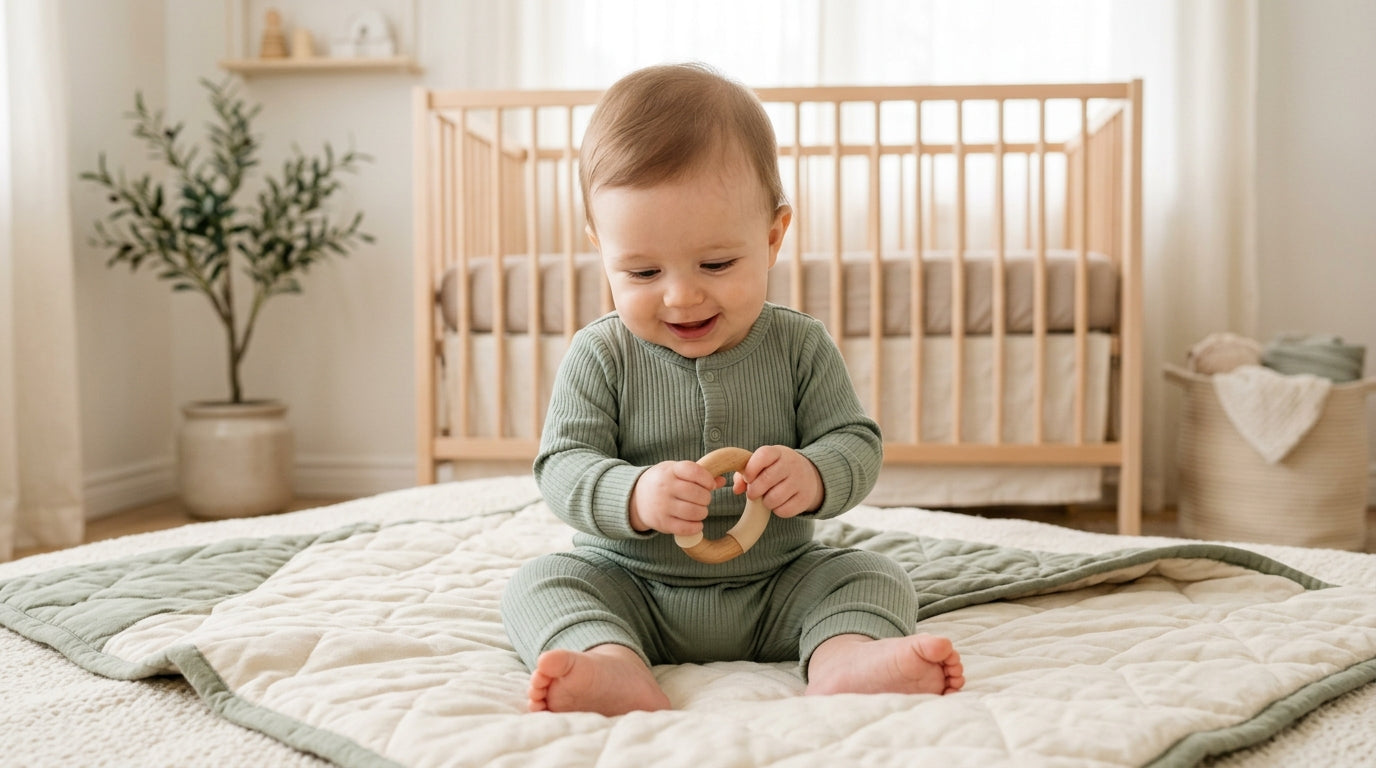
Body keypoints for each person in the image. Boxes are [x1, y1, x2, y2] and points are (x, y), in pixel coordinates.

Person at [500, 62, 964, 716]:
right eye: (640, 270)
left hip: (777, 585)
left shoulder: (800, 346)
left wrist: (816, 472)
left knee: (872, 575)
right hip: (634, 584)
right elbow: (562, 466)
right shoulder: (600, 353)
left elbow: (855, 441)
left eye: (716, 264)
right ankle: (611, 661)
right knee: (539, 583)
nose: (682, 294)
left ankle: (844, 658)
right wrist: (634, 493)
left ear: (773, 236)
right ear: (600, 249)